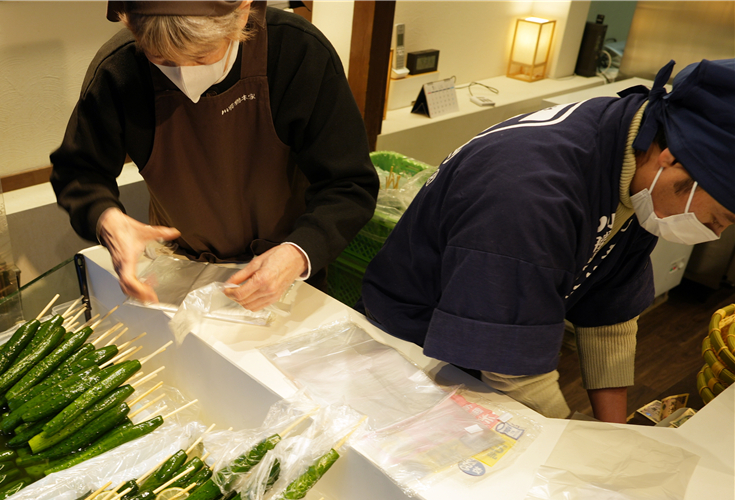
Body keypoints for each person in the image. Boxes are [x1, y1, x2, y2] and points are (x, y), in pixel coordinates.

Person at [361, 58, 735, 423]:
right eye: (720, 217)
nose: (716, 232)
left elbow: (610, 316)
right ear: (673, 162)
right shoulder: (529, 193)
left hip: (490, 345)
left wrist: (614, 436)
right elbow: (509, 369)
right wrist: (571, 446)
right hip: (411, 349)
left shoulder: (638, 165)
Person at [51, 0, 378, 312]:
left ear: (243, 13)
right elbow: (79, 173)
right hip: (178, 273)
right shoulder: (119, 69)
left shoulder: (297, 51)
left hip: (288, 273)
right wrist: (108, 221)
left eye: (203, 56)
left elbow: (348, 184)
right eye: (161, 59)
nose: (184, 76)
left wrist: (299, 252)